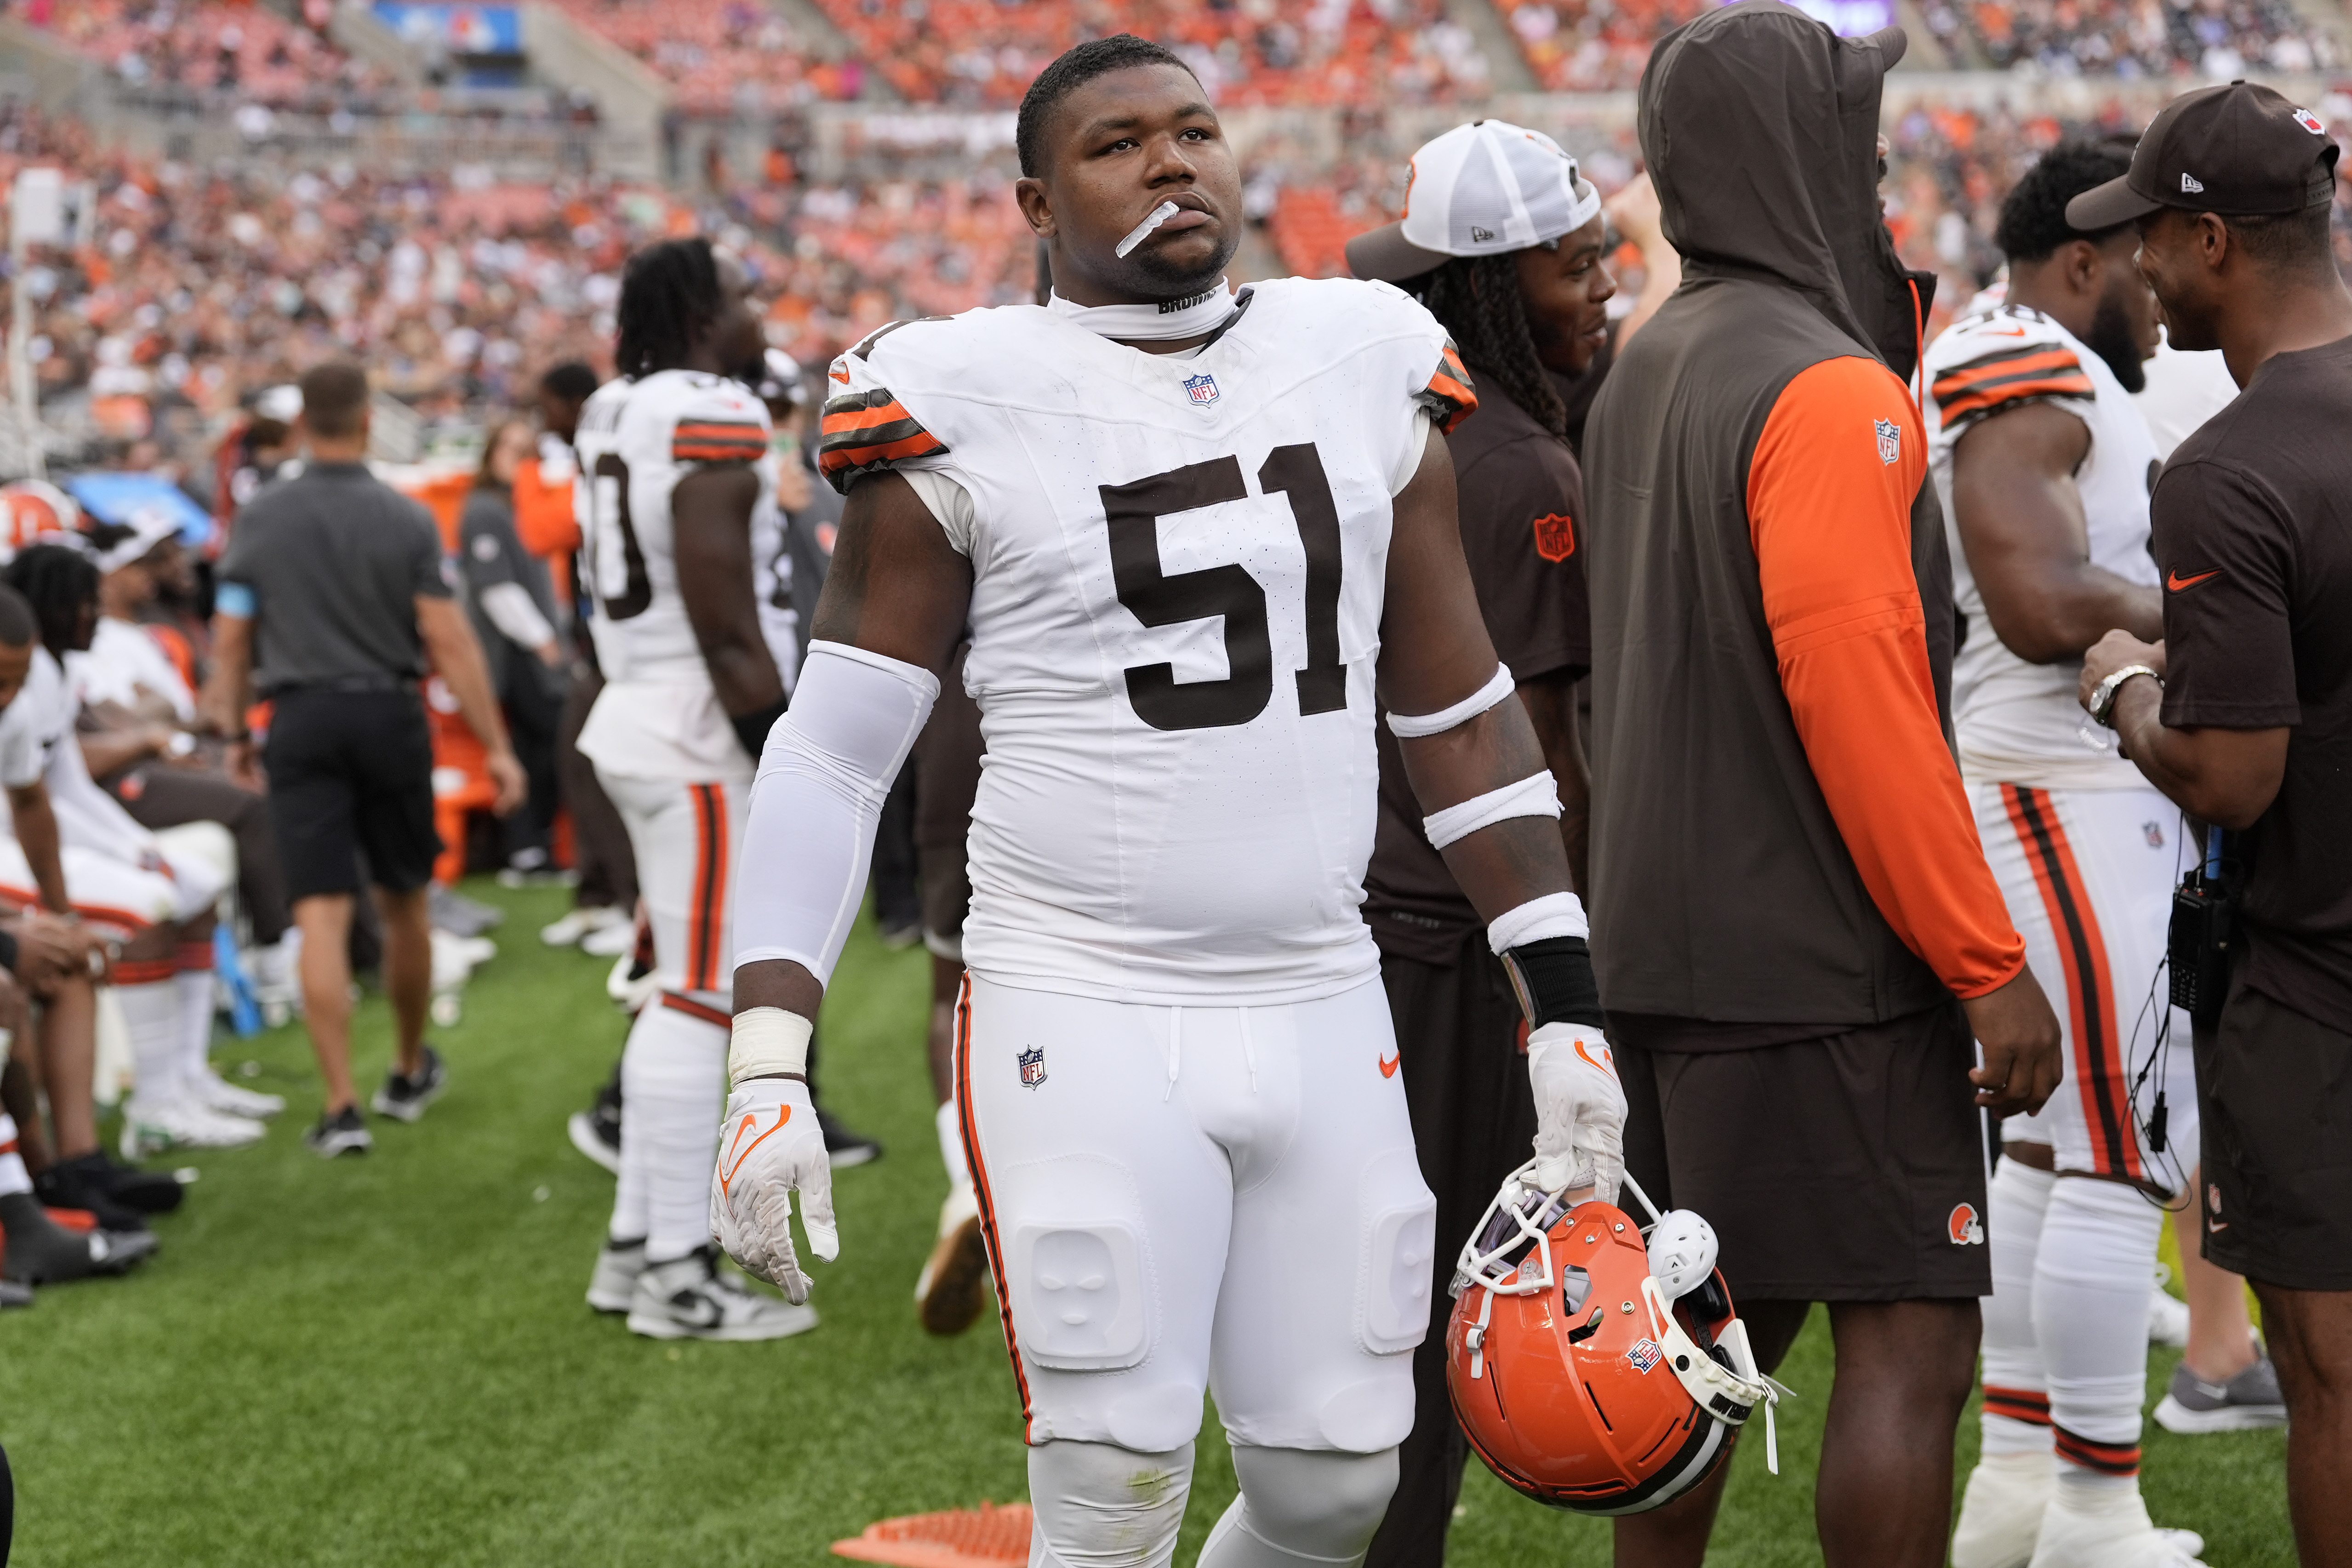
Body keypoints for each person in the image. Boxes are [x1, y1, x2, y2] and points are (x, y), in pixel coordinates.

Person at [715, 35, 1623, 1568]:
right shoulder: (957, 393)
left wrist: (1566, 1001)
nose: (1169, 163)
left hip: (1324, 989)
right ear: (1032, 197)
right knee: (1113, 1487)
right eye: (1117, 144)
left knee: (1337, 1488)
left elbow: (1456, 716)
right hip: (1081, 993)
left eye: (1193, 130)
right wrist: (762, 1057)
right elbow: (831, 752)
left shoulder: (1361, 356)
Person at [1580, 9, 2066, 1565]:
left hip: (1661, 947)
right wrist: (1983, 966)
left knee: (1702, 1350)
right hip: (1821, 964)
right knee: (1911, 1341)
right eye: (1846, 141)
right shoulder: (1827, 384)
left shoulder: (1641, 364)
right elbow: (1857, 700)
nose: (1872, 171)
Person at [1929, 142, 2232, 1568]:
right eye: (2145, 260)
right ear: (2080, 261)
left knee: (2053, 1163)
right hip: (2058, 784)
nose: (2163, 295)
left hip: (2049, 789)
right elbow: (2043, 598)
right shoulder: (2019, 360)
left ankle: (2015, 1482)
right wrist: (2218, 614)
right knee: (2116, 1158)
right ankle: (2099, 1510)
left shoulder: (2027, 353)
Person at [2069, 80, 2352, 1568]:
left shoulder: (2228, 468)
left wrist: (2119, 689)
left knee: (2330, 1381)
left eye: (2148, 242)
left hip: (2314, 981)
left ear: (2206, 239)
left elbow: (2229, 775)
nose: (2135, 274)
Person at [1341, 119, 1612, 1567]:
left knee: (1389, 1315)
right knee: (1435, 1321)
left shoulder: (1445, 436)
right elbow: (1530, 757)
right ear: (1501, 286)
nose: (1607, 286)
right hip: (1454, 942)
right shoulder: (1514, 469)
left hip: (1390, 922)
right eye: (1578, 265)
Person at [571, 237, 811, 1343]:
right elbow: (721, 610)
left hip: (634, 707)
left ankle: (633, 1251)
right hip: (697, 729)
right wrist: (780, 746)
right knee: (702, 995)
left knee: (678, 982)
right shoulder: (712, 409)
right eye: (741, 296)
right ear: (701, 319)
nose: (758, 311)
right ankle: (676, 1268)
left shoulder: (614, 405)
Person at [202, 360, 526, 1157]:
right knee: (406, 900)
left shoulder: (261, 519)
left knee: (321, 912)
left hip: (301, 716)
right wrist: (497, 746)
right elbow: (448, 639)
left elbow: (234, 639)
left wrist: (238, 731)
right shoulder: (406, 517)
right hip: (388, 711)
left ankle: (340, 1105)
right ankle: (409, 1068)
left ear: (305, 421)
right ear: (367, 422)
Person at [533, 361, 641, 961]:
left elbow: (539, 530)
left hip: (620, 643)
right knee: (578, 761)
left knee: (600, 766)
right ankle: (600, 893)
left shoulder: (606, 456)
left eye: (549, 403)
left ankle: (630, 904)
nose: (542, 418)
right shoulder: (588, 458)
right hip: (598, 637)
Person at [459, 416, 568, 883]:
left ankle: (532, 845)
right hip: (515, 651)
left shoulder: (519, 504)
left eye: (525, 451)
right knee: (543, 742)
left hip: (535, 643)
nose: (517, 459)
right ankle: (526, 846)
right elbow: (495, 589)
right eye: (508, 448)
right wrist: (541, 637)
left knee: (537, 745)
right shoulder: (484, 510)